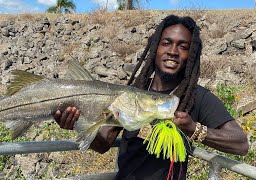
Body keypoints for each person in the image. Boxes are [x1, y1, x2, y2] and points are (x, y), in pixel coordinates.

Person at [53, 15, 249, 179]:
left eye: (183, 46)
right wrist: (76, 123)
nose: (173, 51)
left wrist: (193, 129)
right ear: (155, 47)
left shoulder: (197, 97)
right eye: (167, 43)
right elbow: (103, 144)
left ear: (191, 55)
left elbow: (240, 143)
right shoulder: (133, 91)